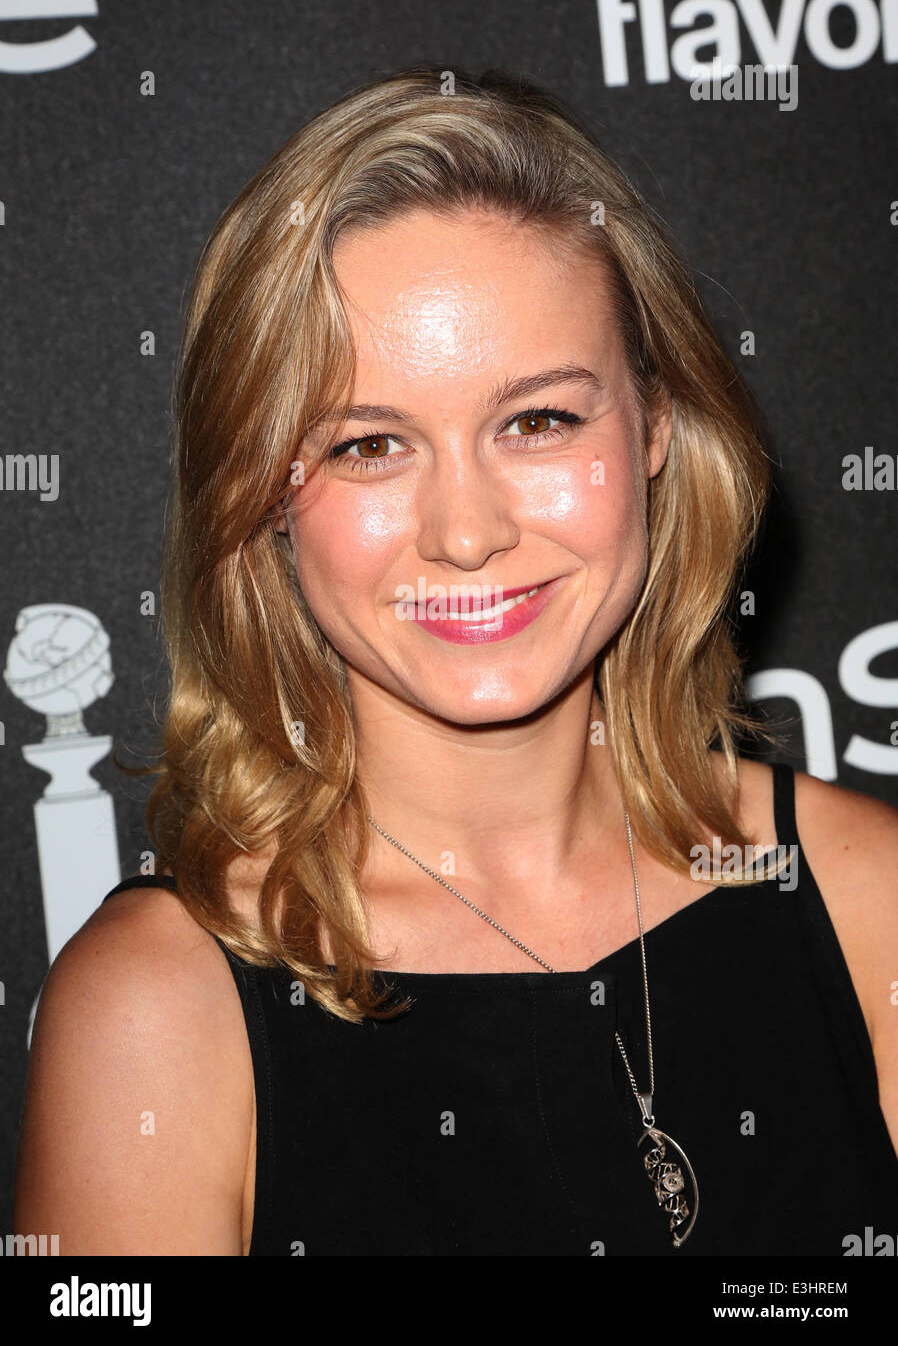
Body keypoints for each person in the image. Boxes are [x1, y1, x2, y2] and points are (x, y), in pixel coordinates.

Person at [13, 65, 898, 1257]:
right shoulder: (156, 1013)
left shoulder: (864, 897)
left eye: (538, 421)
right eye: (368, 445)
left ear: (656, 427)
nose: (467, 533)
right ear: (260, 496)